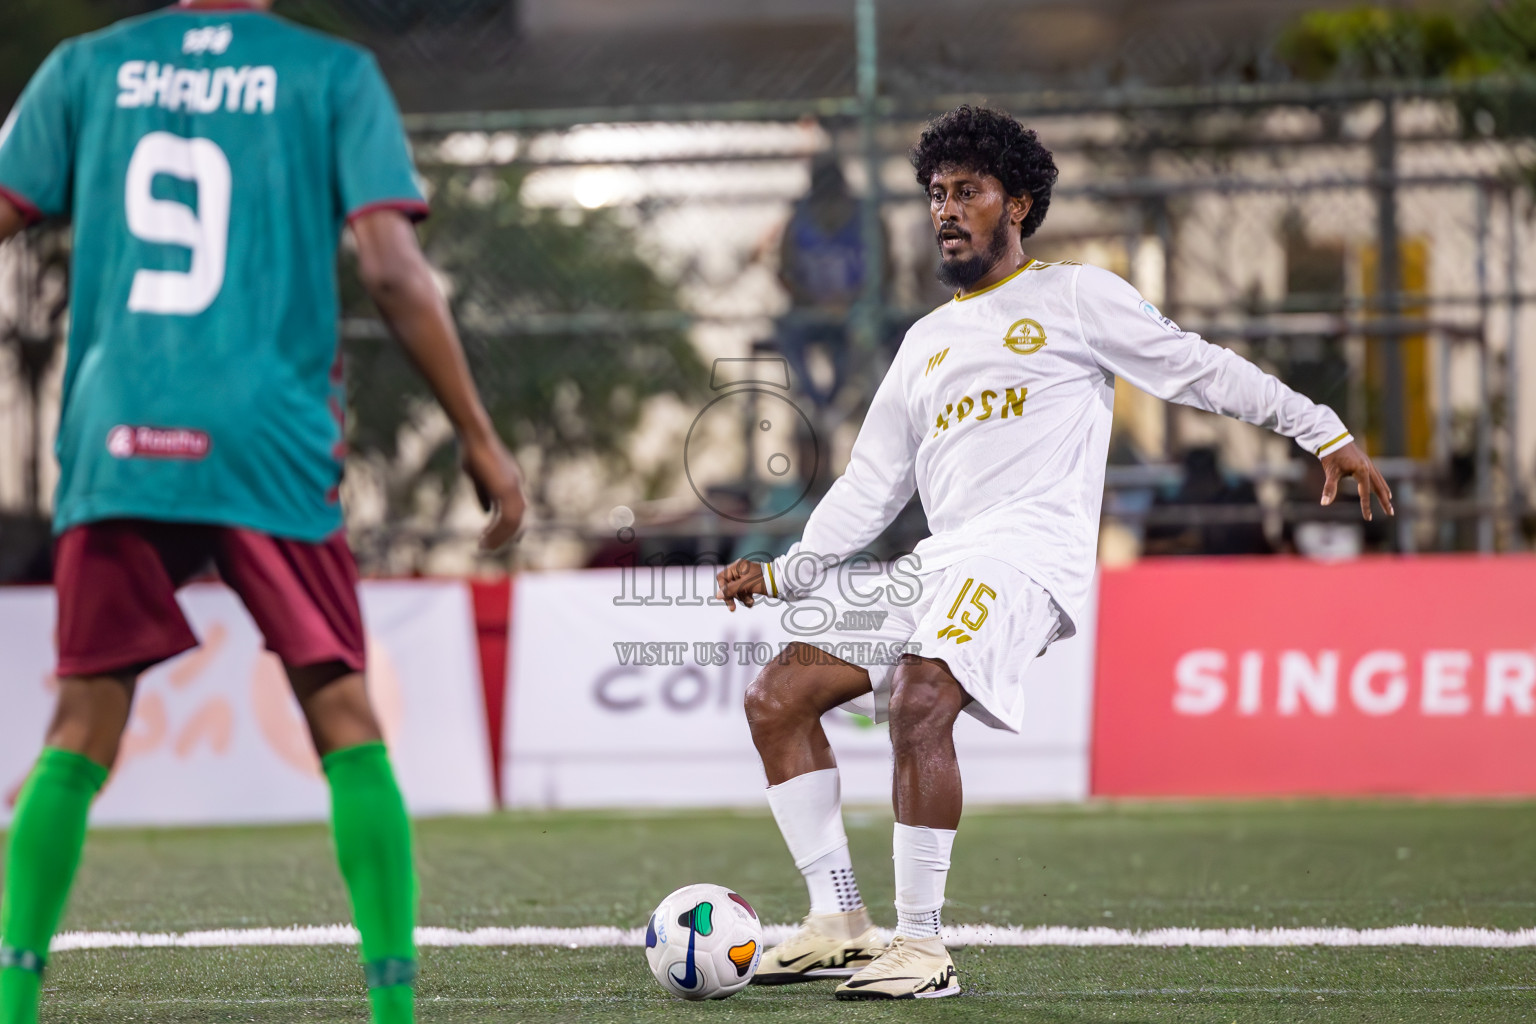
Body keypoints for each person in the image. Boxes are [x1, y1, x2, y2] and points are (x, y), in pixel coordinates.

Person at [715, 105, 1392, 1001]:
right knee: (777, 696)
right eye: (936, 194)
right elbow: (870, 487)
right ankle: (838, 919)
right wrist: (785, 571)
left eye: (968, 192)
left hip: (1027, 555)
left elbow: (1200, 368)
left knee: (921, 698)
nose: (946, 210)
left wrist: (1322, 429)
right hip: (943, 558)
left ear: (1018, 204)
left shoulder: (1077, 296)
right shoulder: (923, 343)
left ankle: (921, 949)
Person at [0, 3, 525, 1023]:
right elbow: (388, 266)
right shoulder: (331, 75)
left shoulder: (87, 65)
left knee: (80, 725)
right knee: (343, 717)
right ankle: (393, 1013)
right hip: (268, 433)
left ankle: (13, 1004)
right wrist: (476, 432)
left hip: (120, 429)